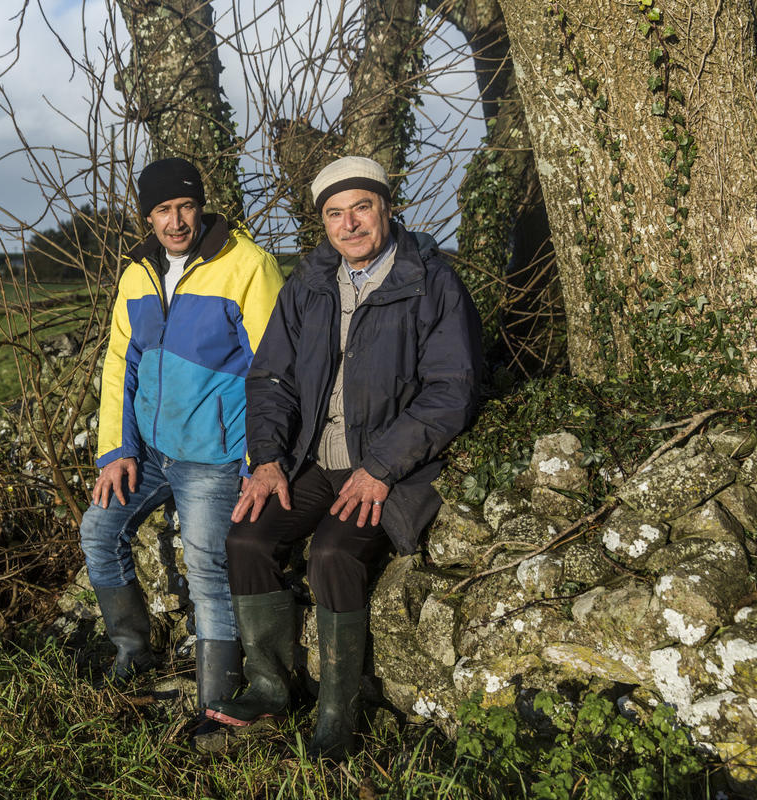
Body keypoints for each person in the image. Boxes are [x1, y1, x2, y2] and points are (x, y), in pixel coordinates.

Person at [205, 156, 482, 759]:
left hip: (391, 466)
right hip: (310, 460)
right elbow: (271, 379)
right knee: (246, 538)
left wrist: (382, 465)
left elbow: (450, 390)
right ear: (322, 222)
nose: (349, 223)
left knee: (333, 552)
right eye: (335, 213)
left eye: (361, 207)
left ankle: (337, 712)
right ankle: (271, 686)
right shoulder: (308, 285)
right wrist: (270, 459)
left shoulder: (431, 281)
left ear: (388, 208)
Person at [79, 157, 284, 723]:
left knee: (208, 564)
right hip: (149, 452)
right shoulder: (136, 273)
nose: (176, 221)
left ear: (201, 207)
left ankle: (215, 697)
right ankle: (133, 654)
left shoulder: (247, 265)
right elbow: (121, 362)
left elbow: (274, 370)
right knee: (97, 531)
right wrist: (118, 451)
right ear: (147, 217)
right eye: (164, 210)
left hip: (217, 456)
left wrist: (260, 459)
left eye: (186, 206)